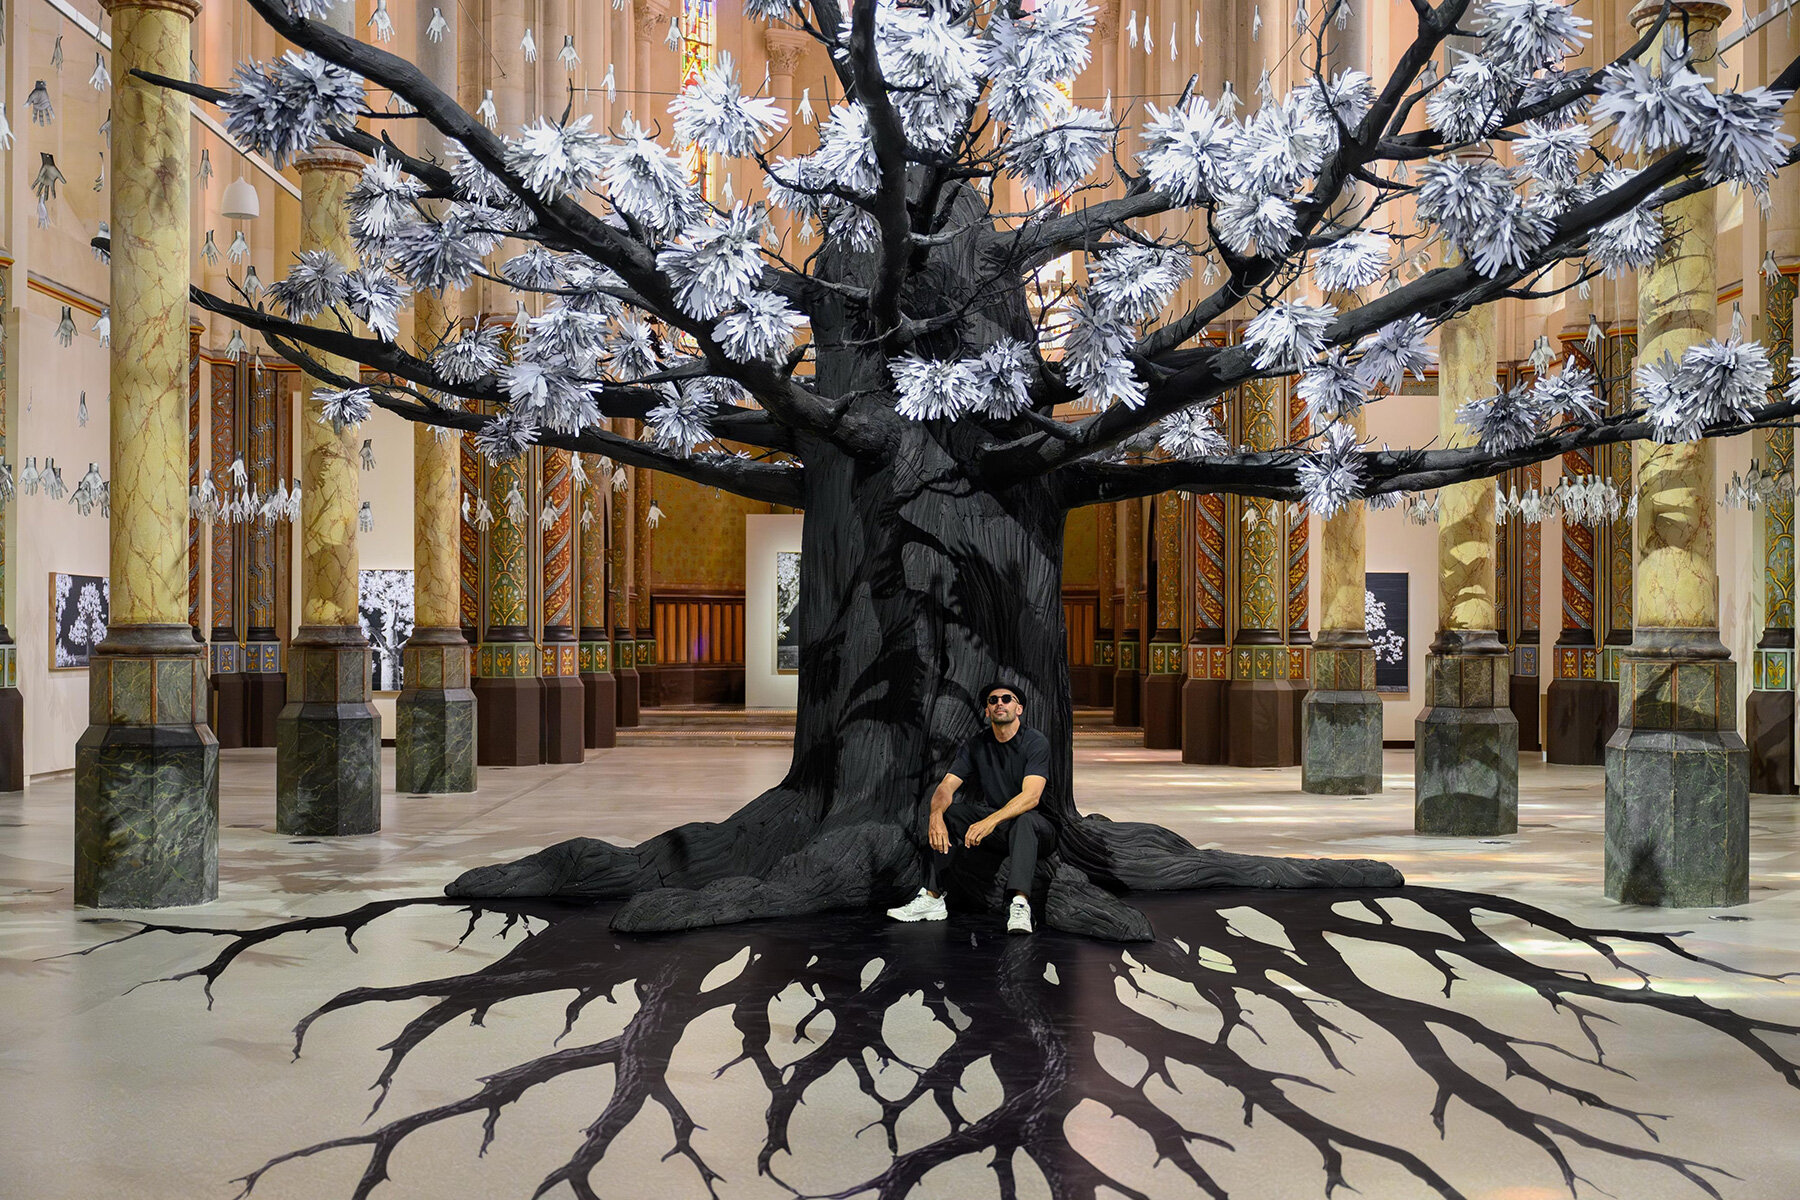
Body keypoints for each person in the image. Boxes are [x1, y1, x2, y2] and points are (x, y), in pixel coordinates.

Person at [887, 681, 1056, 934]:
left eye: (1007, 699)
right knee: (950, 814)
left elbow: (1031, 797)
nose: (999, 703)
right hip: (1000, 827)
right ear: (987, 712)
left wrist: (990, 821)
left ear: (1018, 709)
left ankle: (1019, 904)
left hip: (1038, 828)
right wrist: (935, 815)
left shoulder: (1035, 742)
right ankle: (932, 898)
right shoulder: (977, 744)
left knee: (1025, 820)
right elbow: (946, 787)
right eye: (993, 700)